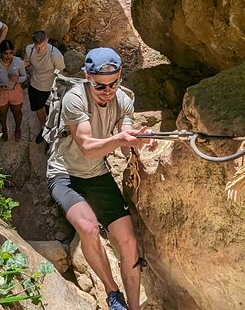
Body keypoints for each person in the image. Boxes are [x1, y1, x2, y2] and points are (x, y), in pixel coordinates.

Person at [46, 47, 156, 310]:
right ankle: (112, 291)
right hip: (65, 174)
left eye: (114, 84)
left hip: (97, 173)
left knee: (128, 241)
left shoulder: (123, 101)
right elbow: (86, 145)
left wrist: (139, 140)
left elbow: (125, 143)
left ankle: (133, 306)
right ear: (87, 76)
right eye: (100, 86)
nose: (107, 91)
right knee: (88, 227)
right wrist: (120, 138)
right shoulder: (75, 99)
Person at [24, 30, 65, 143]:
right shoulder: (30, 49)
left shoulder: (55, 55)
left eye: (42, 46)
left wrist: (57, 90)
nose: (40, 49)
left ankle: (52, 135)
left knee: (51, 112)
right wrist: (15, 65)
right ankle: (43, 129)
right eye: (37, 47)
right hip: (35, 84)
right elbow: (28, 62)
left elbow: (60, 72)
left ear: (47, 40)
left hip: (50, 87)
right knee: (38, 108)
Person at [0, 40, 27, 141]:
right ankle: (4, 129)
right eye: (6, 53)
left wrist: (18, 79)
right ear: (1, 52)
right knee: (2, 114)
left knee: (17, 112)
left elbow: (24, 76)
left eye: (11, 53)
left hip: (15, 90)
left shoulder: (18, 62)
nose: (9, 56)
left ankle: (17, 129)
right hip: (0, 93)